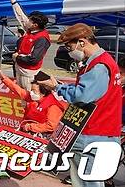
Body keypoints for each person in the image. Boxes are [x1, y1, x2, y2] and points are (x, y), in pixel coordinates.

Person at [38, 24, 122, 187]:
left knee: (87, 182)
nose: (70, 52)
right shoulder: (99, 62)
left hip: (95, 133)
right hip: (98, 132)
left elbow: (82, 96)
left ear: (82, 42)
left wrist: (57, 88)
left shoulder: (99, 66)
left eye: (69, 46)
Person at [5, 0, 51, 91]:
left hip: (29, 74)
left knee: (29, 98)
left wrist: (17, 57)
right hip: (19, 70)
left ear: (35, 25)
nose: (27, 21)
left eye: (29, 20)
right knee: (21, 97)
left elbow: (34, 59)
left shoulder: (42, 38)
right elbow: (20, 15)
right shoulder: (30, 30)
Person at [0, 70, 67, 136]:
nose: (31, 93)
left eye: (34, 91)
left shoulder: (53, 106)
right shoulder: (33, 98)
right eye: (31, 90)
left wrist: (30, 127)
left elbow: (51, 126)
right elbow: (18, 90)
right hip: (28, 130)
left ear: (43, 92)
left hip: (42, 135)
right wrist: (4, 78)